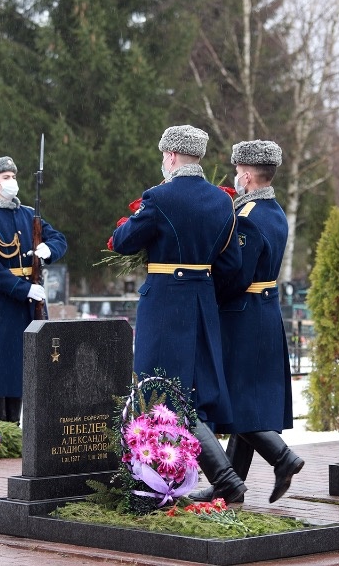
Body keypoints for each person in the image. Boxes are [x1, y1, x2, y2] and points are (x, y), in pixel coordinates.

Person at [110, 125, 246, 502]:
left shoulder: (159, 196)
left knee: (158, 391)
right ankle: (204, 480)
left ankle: (195, 481)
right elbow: (231, 262)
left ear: (170, 157)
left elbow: (123, 242)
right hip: (202, 302)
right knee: (190, 395)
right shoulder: (222, 201)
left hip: (165, 304)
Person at [191, 139, 303, 504]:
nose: (236, 177)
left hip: (243, 315)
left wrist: (207, 289)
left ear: (247, 175)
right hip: (264, 311)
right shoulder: (275, 211)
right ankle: (230, 485)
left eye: (238, 171)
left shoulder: (248, 217)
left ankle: (283, 457)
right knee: (246, 400)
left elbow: (236, 275)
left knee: (237, 403)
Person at [0, 156, 67, 424]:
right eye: (6, 178)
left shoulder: (27, 214)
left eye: (13, 176)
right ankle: (1, 428)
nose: (12, 182)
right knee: (1, 365)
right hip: (4, 300)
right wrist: (23, 289)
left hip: (31, 300)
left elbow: (58, 238)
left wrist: (49, 250)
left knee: (26, 363)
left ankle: (19, 429)